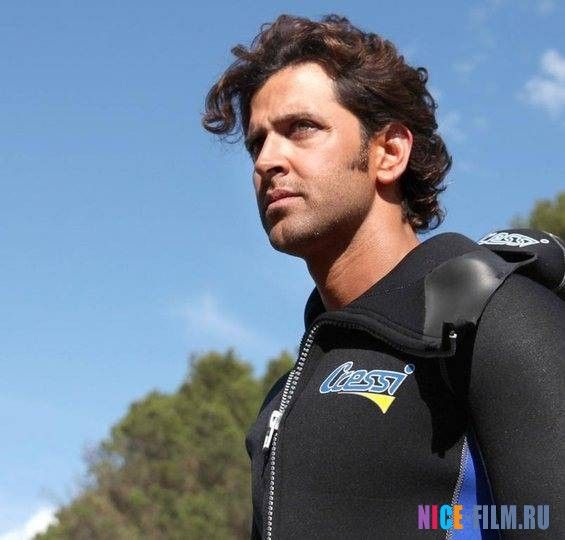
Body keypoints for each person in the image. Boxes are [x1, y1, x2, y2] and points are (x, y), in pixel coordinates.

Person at [202, 14, 564, 539]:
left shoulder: (495, 317)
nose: (267, 161)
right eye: (258, 143)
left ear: (390, 152)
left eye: (301, 128)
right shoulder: (284, 399)